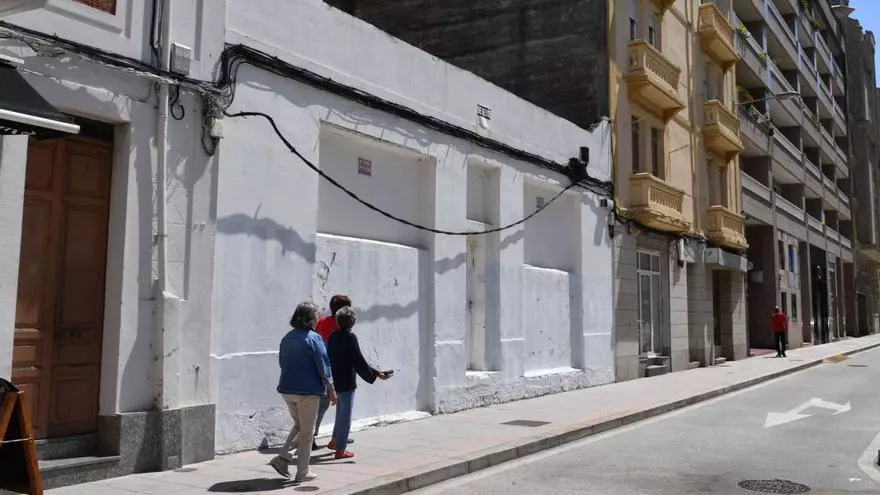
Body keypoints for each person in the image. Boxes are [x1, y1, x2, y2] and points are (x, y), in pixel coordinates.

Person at [269, 302, 337, 482]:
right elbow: (323, 365)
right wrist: (331, 389)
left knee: (300, 426)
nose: (318, 318)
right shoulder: (314, 338)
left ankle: (283, 458)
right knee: (307, 431)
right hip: (308, 391)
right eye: (316, 316)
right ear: (311, 319)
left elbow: (282, 363)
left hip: (287, 388)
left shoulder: (287, 338)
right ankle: (302, 471)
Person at [327, 306, 390, 459]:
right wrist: (375, 374)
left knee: (340, 413)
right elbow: (358, 361)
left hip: (336, 378)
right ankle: (340, 449)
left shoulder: (333, 336)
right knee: (345, 416)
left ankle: (334, 441)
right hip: (347, 380)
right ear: (352, 322)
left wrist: (375, 373)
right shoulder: (350, 338)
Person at [312, 295, 352, 450]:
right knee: (339, 405)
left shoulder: (321, 321)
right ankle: (337, 437)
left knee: (321, 405)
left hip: (320, 367)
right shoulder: (342, 326)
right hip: (336, 369)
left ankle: (314, 436)